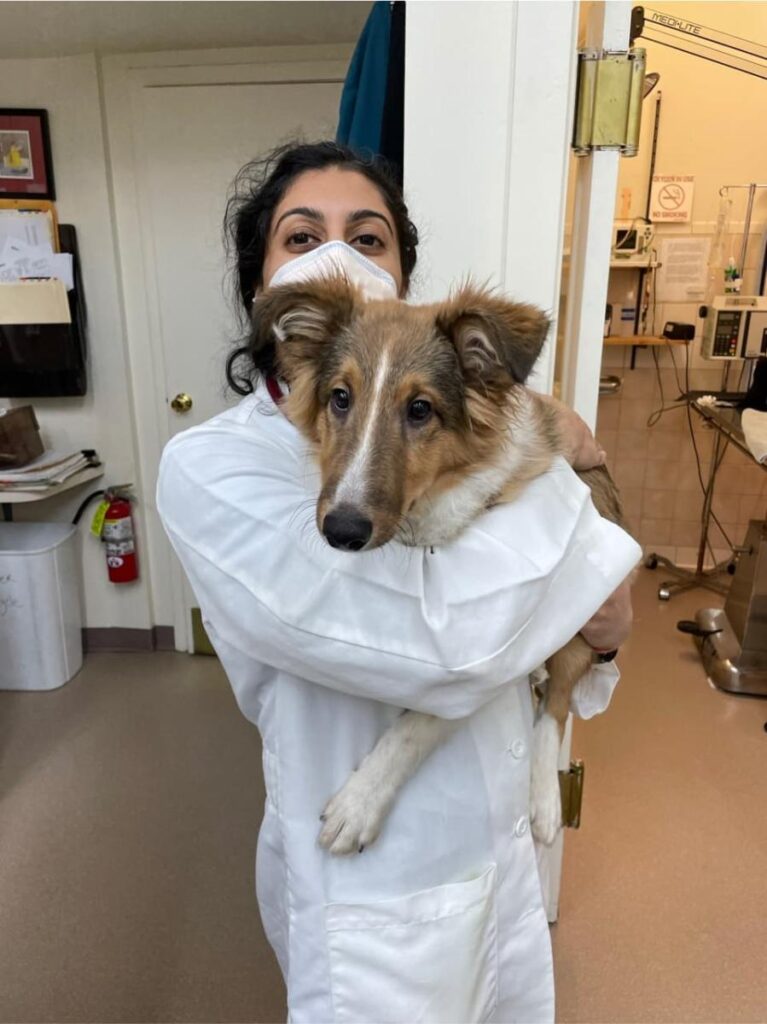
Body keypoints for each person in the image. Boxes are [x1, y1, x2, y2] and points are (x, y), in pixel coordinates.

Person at [157, 141, 640, 1023]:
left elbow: (589, 619)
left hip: (501, 851)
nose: (336, 254)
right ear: (264, 288)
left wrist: (599, 614)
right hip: (374, 893)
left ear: (402, 269)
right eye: (300, 235)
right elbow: (449, 646)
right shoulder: (213, 468)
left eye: (368, 237)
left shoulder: (465, 412)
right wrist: (572, 493)